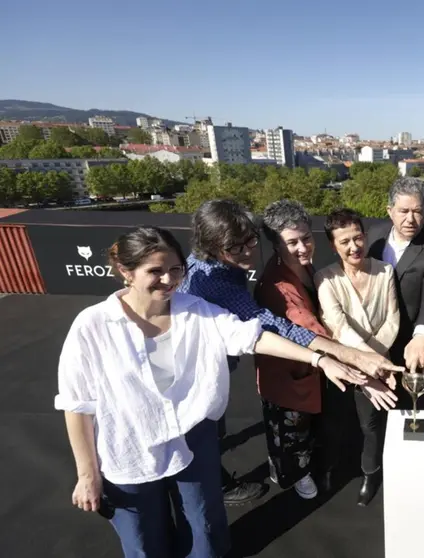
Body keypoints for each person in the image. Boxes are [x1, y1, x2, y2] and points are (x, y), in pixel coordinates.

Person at [55, 226, 367, 558]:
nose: (168, 280)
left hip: (193, 438)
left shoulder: (197, 310)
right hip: (128, 448)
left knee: (204, 527)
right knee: (143, 542)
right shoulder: (91, 326)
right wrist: (87, 473)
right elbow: (77, 403)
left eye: (175, 270)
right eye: (155, 271)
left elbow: (251, 337)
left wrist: (319, 359)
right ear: (125, 272)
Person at [178, 199, 403, 505]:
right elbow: (286, 327)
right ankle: (288, 477)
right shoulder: (262, 285)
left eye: (306, 238)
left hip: (296, 365)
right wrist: (360, 369)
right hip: (269, 370)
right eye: (292, 242)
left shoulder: (296, 266)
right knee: (285, 432)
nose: (246, 252)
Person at [315, 208, 401, 506]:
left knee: (371, 425)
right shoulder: (324, 279)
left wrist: (375, 364)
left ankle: (370, 473)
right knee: (335, 422)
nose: (354, 247)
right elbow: (337, 327)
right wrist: (370, 363)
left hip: (379, 365)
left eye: (358, 237)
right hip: (342, 365)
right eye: (345, 242)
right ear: (332, 245)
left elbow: (392, 320)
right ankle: (328, 467)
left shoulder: (385, 271)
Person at [365, 177, 424, 383]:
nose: (411, 219)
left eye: (418, 211)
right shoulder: (373, 236)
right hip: (369, 343)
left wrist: (421, 336)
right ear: (389, 210)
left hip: (409, 345)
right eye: (404, 211)